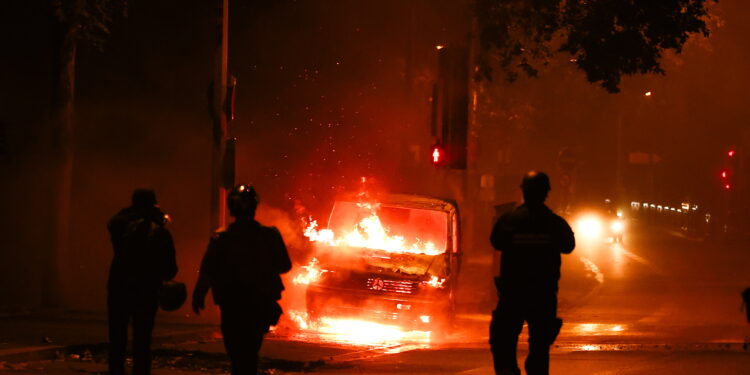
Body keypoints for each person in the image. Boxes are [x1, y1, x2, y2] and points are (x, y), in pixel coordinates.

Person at [192, 185, 292, 375]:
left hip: (232, 304)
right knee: (250, 353)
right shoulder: (269, 235)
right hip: (258, 304)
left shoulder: (221, 237)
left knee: (236, 353)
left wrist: (199, 294)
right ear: (254, 206)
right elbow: (284, 266)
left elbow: (208, 270)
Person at [489, 171, 575, 375]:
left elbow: (496, 242)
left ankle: (508, 371)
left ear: (523, 191)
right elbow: (569, 246)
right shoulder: (555, 223)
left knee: (503, 341)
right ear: (546, 193)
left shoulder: (509, 220)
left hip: (513, 294)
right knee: (539, 349)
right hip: (542, 295)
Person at [107, 189, 178, 375]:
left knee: (117, 337)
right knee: (142, 338)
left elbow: (112, 225)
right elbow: (171, 268)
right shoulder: (158, 230)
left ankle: (116, 371)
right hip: (146, 289)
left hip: (119, 285)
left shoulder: (120, 224)